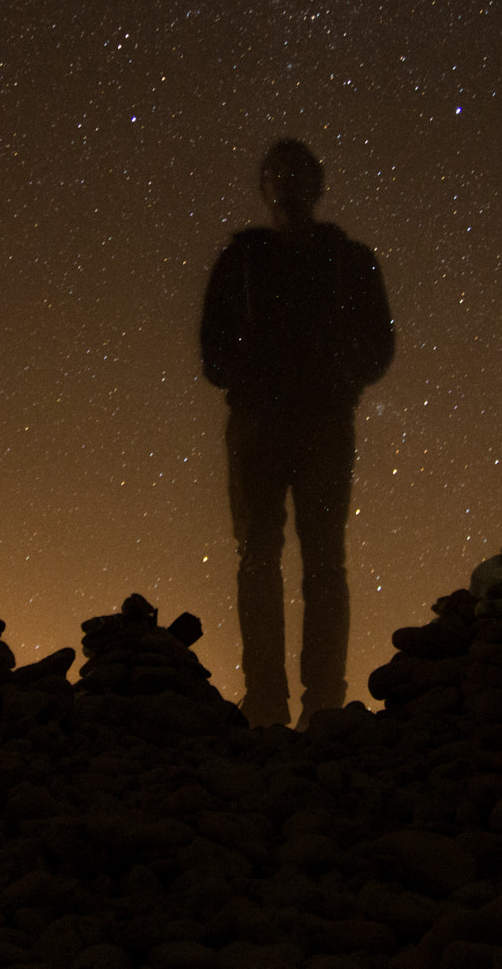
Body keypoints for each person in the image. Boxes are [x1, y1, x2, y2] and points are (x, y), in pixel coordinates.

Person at [200, 139, 395, 727]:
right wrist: (256, 376)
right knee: (261, 557)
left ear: (316, 184)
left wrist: (337, 381)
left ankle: (321, 703)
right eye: (277, 173)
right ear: (265, 185)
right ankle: (267, 701)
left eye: (297, 173)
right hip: (262, 422)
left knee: (320, 560)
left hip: (320, 422)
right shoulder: (241, 262)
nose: (287, 183)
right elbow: (213, 352)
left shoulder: (349, 261)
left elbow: (377, 347)